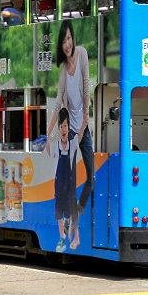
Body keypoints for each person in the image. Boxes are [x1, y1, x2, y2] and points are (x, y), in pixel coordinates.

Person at [48, 20, 94, 213]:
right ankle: (70, 211)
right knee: (69, 175)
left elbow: (86, 84)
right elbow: (58, 103)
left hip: (82, 127)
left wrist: (85, 117)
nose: (67, 44)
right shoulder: (63, 72)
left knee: (91, 176)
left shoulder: (82, 53)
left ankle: (79, 208)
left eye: (68, 38)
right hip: (70, 131)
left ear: (73, 38)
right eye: (63, 41)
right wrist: (48, 135)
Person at [50, 107, 81, 252]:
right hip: (59, 182)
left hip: (69, 182)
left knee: (68, 211)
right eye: (61, 126)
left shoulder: (73, 144)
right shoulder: (55, 145)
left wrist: (85, 122)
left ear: (69, 128)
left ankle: (68, 232)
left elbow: (80, 135)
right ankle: (62, 238)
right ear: (58, 129)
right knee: (59, 212)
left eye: (66, 126)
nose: (63, 129)